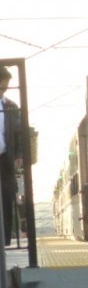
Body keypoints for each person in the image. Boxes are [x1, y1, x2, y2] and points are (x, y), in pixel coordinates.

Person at [0, 67, 21, 246]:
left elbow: (19, 133)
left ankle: (5, 239)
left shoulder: (11, 107)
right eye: (1, 87)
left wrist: (18, 155)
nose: (3, 91)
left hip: (4, 159)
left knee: (7, 196)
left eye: (6, 88)